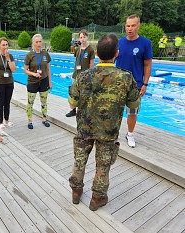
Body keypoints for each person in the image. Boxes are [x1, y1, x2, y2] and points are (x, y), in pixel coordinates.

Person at [68, 33, 140, 211]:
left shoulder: (83, 76)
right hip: (108, 132)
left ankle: (76, 192)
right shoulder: (126, 77)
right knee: (103, 165)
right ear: (117, 53)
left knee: (79, 161)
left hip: (84, 128)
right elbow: (134, 104)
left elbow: (73, 102)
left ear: (98, 54)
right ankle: (96, 199)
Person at [116, 14, 153, 148]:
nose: (130, 28)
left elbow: (148, 65)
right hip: (118, 84)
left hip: (135, 84)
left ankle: (130, 134)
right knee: (116, 111)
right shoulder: (119, 43)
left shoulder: (145, 43)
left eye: (133, 25)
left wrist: (145, 83)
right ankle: (114, 133)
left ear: (138, 26)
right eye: (127, 25)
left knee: (132, 112)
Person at [23, 34, 52, 129]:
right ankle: (30, 121)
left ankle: (44, 118)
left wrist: (49, 82)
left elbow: (48, 69)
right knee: (30, 102)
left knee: (44, 102)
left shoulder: (45, 54)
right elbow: (25, 70)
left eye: (40, 41)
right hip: (32, 82)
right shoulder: (29, 55)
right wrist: (34, 74)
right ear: (33, 43)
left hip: (43, 81)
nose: (39, 43)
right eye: (37, 42)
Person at [66, 30, 95, 117]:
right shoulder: (77, 49)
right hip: (75, 75)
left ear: (87, 37)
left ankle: (82, 111)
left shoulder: (90, 50)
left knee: (84, 94)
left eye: (84, 37)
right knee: (73, 93)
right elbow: (77, 59)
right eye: (81, 37)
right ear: (79, 38)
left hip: (84, 76)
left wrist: (89, 76)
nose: (82, 39)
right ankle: (73, 110)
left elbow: (91, 64)